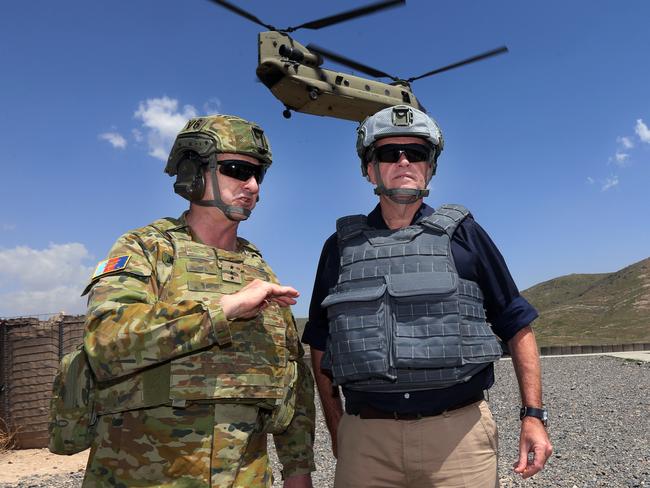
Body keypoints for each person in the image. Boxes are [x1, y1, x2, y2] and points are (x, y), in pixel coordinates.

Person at [302, 105, 552, 487]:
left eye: (416, 153)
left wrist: (533, 415)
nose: (404, 161)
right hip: (366, 441)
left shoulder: (465, 235)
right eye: (389, 153)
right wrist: (338, 427)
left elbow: (517, 323)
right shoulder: (339, 248)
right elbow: (319, 344)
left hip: (459, 440)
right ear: (369, 169)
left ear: (430, 166)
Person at [81, 114, 315, 488]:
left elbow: (292, 379)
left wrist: (298, 470)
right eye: (237, 169)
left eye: (259, 175)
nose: (253, 185)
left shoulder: (261, 270)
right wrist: (223, 311)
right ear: (194, 170)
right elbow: (105, 343)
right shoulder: (148, 249)